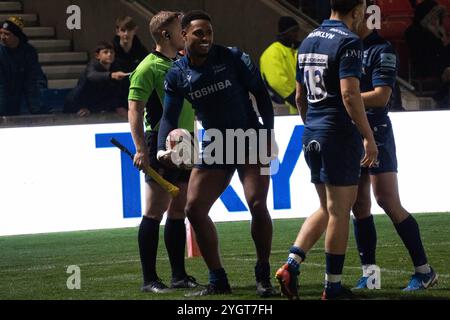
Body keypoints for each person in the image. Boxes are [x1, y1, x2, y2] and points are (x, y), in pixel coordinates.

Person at [156, 10, 277, 297]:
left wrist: (268, 135)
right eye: (199, 33)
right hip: (216, 143)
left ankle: (263, 274)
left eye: (209, 32)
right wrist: (162, 148)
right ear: (184, 34)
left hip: (248, 136)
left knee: (257, 203)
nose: (206, 38)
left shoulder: (233, 57)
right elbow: (169, 117)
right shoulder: (177, 74)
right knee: (194, 209)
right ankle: (218, 279)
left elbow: (261, 94)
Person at [275, 0, 378, 300]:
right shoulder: (349, 41)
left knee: (327, 208)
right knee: (340, 212)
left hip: (312, 133)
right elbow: (349, 93)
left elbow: (299, 95)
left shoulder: (307, 40)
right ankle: (332, 287)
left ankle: (291, 265)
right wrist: (368, 136)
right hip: (338, 134)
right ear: (358, 11)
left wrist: (312, 125)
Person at [352, 1, 438, 291]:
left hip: (376, 130)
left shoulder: (382, 50)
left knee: (387, 200)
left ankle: (424, 270)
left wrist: (344, 98)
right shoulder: (347, 48)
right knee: (359, 205)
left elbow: (381, 97)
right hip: (350, 133)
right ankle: (371, 276)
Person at [128, 11, 199, 293]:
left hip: (187, 143)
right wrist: (141, 150)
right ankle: (149, 280)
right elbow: (135, 110)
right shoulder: (147, 67)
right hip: (161, 145)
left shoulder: (183, 64)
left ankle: (179, 276)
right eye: (180, 29)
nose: (185, 33)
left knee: (179, 209)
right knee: (155, 210)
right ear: (166, 35)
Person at [64, 42, 128, 117]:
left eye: (111, 52)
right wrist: (111, 75)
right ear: (97, 55)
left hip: (97, 105)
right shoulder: (93, 65)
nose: (109, 54)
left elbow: (116, 92)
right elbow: (91, 76)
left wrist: (119, 106)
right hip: (77, 104)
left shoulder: (116, 67)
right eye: (105, 52)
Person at [0, 16, 47, 116]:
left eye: (7, 34)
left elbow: (33, 80)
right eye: (1, 33)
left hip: (18, 97)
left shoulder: (28, 52)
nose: (2, 37)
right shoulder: (1, 52)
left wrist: (37, 109)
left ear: (16, 36)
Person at [260, 16, 301, 115]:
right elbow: (277, 82)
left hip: (299, 108)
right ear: (284, 33)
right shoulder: (272, 52)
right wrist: (298, 100)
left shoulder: (297, 49)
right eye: (293, 31)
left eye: (297, 30)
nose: (296, 34)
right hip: (284, 110)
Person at [113, 16, 149, 108]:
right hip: (115, 93)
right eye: (123, 30)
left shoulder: (141, 50)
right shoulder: (110, 50)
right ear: (117, 31)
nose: (126, 34)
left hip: (135, 92)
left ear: (135, 31)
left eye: (129, 30)